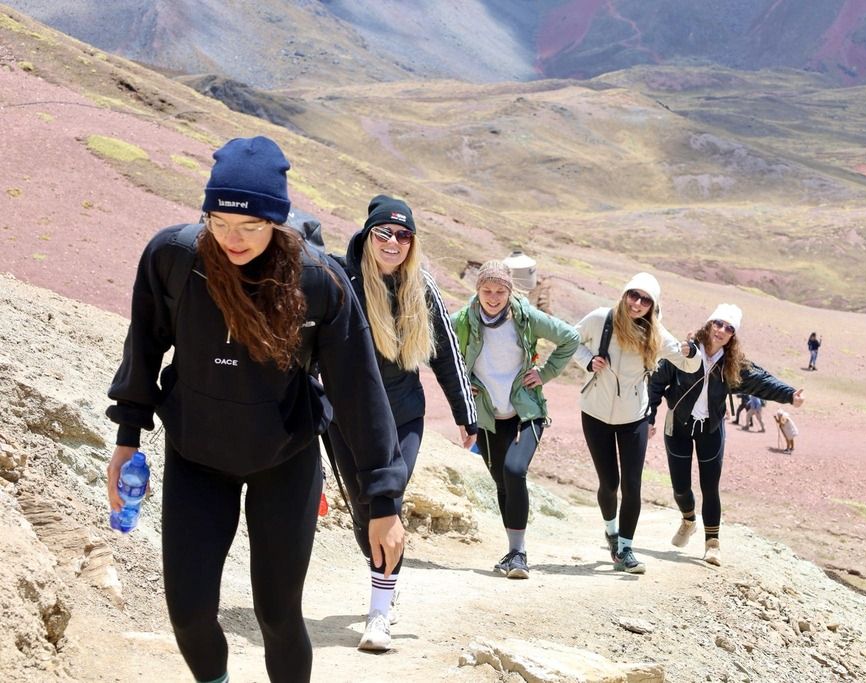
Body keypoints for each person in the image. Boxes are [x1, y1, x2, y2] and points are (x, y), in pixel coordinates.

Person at [105, 136, 407, 683]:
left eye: (249, 225)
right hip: (196, 456)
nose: (231, 239)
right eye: (218, 222)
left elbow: (358, 391)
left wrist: (383, 499)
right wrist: (127, 439)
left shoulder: (317, 279)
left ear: (277, 220)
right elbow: (143, 349)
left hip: (284, 461)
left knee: (277, 614)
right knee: (189, 614)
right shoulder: (174, 258)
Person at [328, 194, 477, 651]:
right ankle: (385, 582)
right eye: (384, 232)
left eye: (404, 235)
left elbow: (447, 354)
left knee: (386, 501)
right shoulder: (342, 280)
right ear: (368, 235)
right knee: (365, 512)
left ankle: (379, 613)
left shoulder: (421, 286)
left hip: (403, 415)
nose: (394, 242)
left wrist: (466, 414)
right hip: (348, 418)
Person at [648, 303, 804, 567]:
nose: (721, 330)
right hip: (678, 425)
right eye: (718, 324)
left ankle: (712, 543)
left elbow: (762, 381)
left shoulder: (733, 364)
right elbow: (656, 382)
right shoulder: (684, 351)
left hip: (711, 428)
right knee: (681, 487)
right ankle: (688, 520)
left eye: (729, 328)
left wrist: (790, 395)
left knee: (710, 488)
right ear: (709, 324)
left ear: (733, 335)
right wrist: (650, 417)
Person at [451, 261, 579, 580]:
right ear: (477, 290)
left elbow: (570, 337)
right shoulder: (463, 320)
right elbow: (433, 347)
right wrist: (461, 381)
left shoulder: (525, 317)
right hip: (488, 416)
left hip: (526, 412)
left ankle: (519, 554)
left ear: (510, 291)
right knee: (501, 482)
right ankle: (512, 552)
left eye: (500, 291)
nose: (493, 297)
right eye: (487, 290)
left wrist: (545, 373)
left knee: (514, 470)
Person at [574, 273, 695, 575]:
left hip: (634, 418)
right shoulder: (601, 319)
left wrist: (691, 351)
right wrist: (588, 360)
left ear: (653, 306)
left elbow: (687, 363)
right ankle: (611, 532)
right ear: (624, 294)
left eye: (645, 300)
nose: (637, 303)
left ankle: (626, 549)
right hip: (595, 413)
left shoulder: (656, 333)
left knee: (632, 485)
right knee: (609, 483)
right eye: (633, 295)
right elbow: (570, 341)